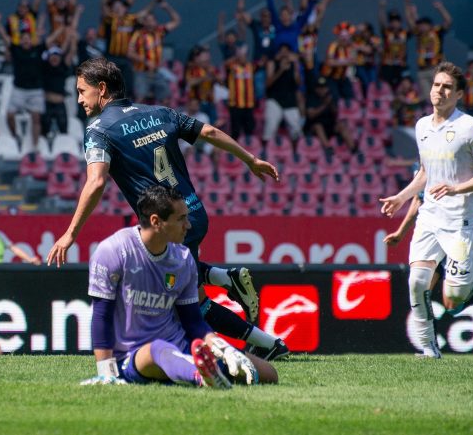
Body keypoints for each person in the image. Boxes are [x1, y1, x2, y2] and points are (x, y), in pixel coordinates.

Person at [47, 57, 290, 361]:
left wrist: (70, 234)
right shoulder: (159, 112)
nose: (79, 99)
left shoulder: (99, 129)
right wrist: (250, 160)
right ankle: (268, 344)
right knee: (194, 299)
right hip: (194, 213)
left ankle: (225, 280)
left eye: (82, 91)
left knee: (175, 300)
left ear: (102, 88)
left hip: (166, 224)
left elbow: (96, 182)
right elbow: (210, 133)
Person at [380, 61, 473, 358]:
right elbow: (425, 174)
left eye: (447, 87)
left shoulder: (471, 129)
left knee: (454, 298)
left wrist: (455, 189)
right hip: (431, 217)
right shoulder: (421, 127)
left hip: (461, 221)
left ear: (458, 95)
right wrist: (401, 197)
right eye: (436, 85)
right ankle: (430, 351)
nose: (440, 91)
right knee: (417, 282)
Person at [84, 185, 278, 387]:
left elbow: (193, 321)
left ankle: (205, 369)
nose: (189, 225)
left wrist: (221, 346)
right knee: (157, 350)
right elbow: (101, 315)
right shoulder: (114, 250)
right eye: (181, 219)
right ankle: (201, 376)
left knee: (268, 373)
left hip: (181, 345)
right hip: (133, 356)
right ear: (156, 222)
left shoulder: (183, 259)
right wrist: (106, 371)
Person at [0, 11, 62, 148]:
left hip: (35, 90)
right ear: (21, 40)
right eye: (23, 38)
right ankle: (15, 136)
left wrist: (62, 26)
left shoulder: (39, 49)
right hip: (19, 90)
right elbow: (4, 37)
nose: (25, 40)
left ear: (31, 39)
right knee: (9, 115)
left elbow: (51, 38)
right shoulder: (16, 49)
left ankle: (34, 146)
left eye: (28, 38)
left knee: (36, 118)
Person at [127, 0, 181, 104]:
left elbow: (176, 21)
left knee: (166, 98)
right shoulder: (138, 34)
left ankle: (163, 120)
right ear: (144, 22)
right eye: (148, 20)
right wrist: (145, 61)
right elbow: (130, 53)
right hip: (142, 72)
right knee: (140, 99)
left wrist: (167, 7)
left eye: (153, 20)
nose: (152, 22)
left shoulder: (159, 32)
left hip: (156, 71)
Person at [404, 0, 452, 100]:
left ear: (429, 25)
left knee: (441, 94)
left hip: (436, 68)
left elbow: (448, 21)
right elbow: (410, 22)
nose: (421, 27)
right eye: (420, 25)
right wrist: (408, 8)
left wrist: (441, 8)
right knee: (428, 97)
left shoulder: (436, 32)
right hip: (423, 70)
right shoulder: (419, 34)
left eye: (423, 25)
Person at [304, 75, 357, 155]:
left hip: (330, 125)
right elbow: (311, 115)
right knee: (318, 126)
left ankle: (353, 149)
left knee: (341, 125)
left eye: (324, 87)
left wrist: (331, 104)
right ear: (316, 89)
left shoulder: (331, 97)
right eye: (320, 88)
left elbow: (336, 113)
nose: (322, 90)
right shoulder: (312, 98)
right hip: (315, 126)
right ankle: (328, 148)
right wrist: (325, 105)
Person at [264, 44, 304, 145]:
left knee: (296, 128)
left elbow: (299, 83)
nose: (284, 54)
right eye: (282, 51)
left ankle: (295, 152)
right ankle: (265, 150)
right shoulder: (272, 63)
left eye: (286, 52)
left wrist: (295, 66)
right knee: (270, 127)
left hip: (290, 100)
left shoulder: (293, 64)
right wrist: (281, 69)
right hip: (274, 99)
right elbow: (268, 83)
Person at [224, 43, 256, 140]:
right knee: (235, 131)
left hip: (248, 104)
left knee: (249, 130)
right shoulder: (232, 67)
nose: (242, 57)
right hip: (235, 104)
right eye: (240, 55)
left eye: (244, 55)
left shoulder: (250, 66)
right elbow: (225, 64)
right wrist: (237, 55)